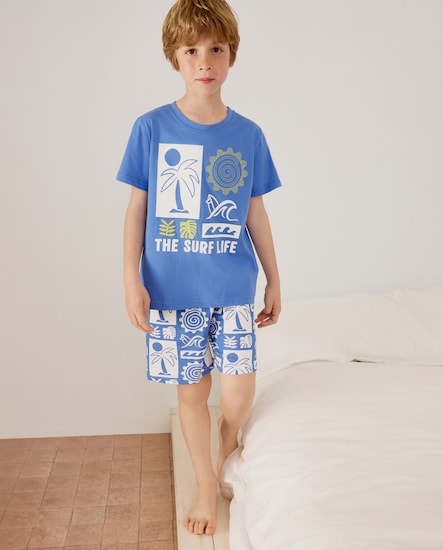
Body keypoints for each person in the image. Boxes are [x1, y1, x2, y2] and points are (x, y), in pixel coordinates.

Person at [116, 0, 281, 536]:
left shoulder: (248, 134)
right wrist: (132, 280)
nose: (204, 61)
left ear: (231, 55)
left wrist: (275, 278)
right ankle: (207, 484)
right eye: (191, 50)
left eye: (216, 49)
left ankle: (225, 451)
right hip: (171, 290)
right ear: (175, 58)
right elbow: (137, 210)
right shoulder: (151, 128)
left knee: (235, 396)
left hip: (232, 287)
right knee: (191, 394)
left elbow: (256, 210)